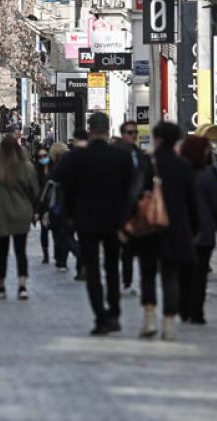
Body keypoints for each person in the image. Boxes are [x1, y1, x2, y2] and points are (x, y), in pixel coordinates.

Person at [53, 112, 136, 336]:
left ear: (90, 130)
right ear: (108, 130)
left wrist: (69, 217)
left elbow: (68, 190)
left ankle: (100, 316)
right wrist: (126, 219)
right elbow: (130, 191)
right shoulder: (121, 156)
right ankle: (114, 313)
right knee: (112, 268)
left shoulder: (77, 157)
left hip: (86, 221)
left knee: (92, 270)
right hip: (113, 220)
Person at [136, 122, 199, 341]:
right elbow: (192, 202)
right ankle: (169, 325)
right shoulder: (183, 166)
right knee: (171, 276)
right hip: (175, 229)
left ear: (158, 139)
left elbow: (135, 194)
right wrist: (194, 228)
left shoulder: (147, 163)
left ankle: (149, 320)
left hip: (150, 227)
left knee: (147, 274)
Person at [178, 135, 217, 325]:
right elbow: (215, 202)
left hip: (183, 231)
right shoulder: (208, 174)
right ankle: (196, 312)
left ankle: (183, 309)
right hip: (204, 231)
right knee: (199, 274)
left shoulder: (179, 172)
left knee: (184, 272)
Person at [0, 136, 40, 301]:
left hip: (1, 215)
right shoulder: (27, 168)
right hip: (22, 213)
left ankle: (1, 284)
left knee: (2, 251)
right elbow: (35, 191)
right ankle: (22, 285)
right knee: (21, 250)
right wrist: (35, 211)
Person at [117, 121, 146, 295]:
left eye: (135, 132)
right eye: (130, 132)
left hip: (138, 209)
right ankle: (124, 282)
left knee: (137, 248)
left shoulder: (140, 154)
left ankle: (131, 282)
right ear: (123, 134)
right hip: (121, 208)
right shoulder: (117, 154)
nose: (133, 135)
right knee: (124, 249)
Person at [46, 142, 80, 276]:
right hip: (72, 205)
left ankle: (62, 259)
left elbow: (52, 183)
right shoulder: (73, 164)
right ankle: (62, 260)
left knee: (59, 234)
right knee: (67, 234)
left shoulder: (56, 167)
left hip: (58, 205)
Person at [34, 146, 54, 265]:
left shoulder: (54, 168)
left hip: (53, 204)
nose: (43, 158)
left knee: (56, 231)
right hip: (42, 205)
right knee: (44, 230)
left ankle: (59, 255)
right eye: (40, 156)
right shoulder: (36, 172)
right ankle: (45, 253)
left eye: (45, 156)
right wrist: (36, 210)